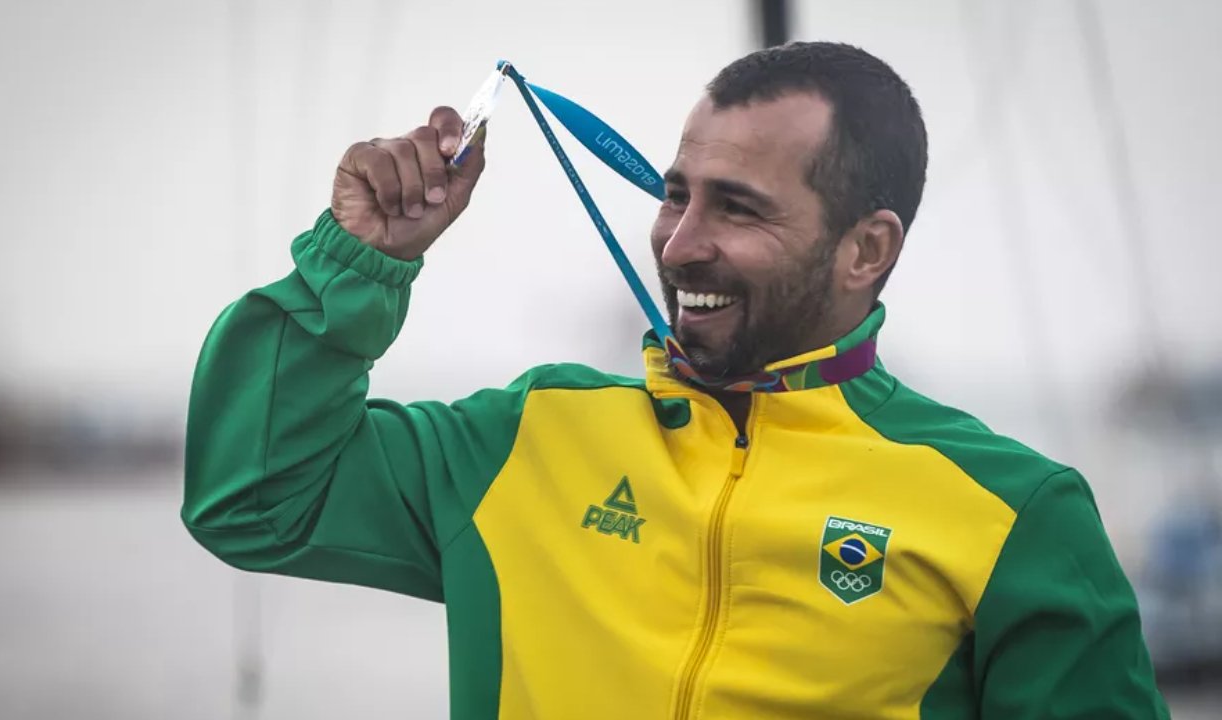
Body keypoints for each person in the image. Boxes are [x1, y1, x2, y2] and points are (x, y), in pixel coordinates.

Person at [183, 42, 1168, 719]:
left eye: (734, 209)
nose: (680, 243)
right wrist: (357, 263)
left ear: (865, 248)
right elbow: (254, 499)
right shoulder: (526, 438)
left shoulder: (1012, 512)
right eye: (672, 194)